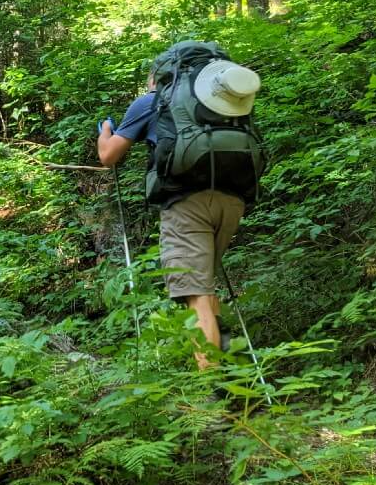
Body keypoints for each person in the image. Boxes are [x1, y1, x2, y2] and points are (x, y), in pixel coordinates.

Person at [96, 46, 264, 367]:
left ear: (159, 75)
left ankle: (211, 396)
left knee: (196, 294)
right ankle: (226, 366)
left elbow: (109, 156)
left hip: (185, 203)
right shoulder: (228, 104)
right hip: (233, 198)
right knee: (205, 285)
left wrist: (105, 130)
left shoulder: (154, 101)